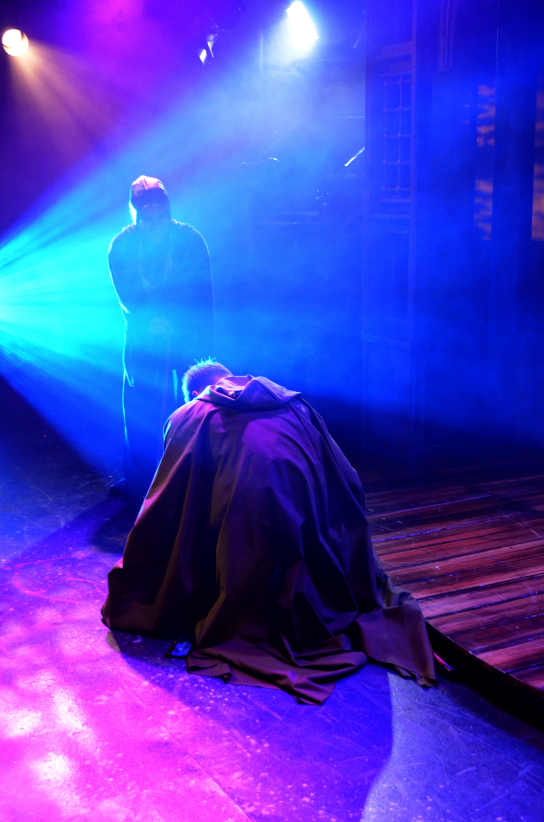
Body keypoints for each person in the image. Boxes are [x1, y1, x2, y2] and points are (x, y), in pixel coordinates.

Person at [102, 360, 435, 704]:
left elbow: (169, 501)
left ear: (195, 391)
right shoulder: (293, 402)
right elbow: (344, 475)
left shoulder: (190, 414)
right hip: (303, 514)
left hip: (244, 523)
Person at [108, 176, 214, 504]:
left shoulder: (190, 240)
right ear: (135, 217)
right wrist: (150, 320)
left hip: (188, 332)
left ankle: (193, 477)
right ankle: (140, 480)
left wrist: (176, 322)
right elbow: (126, 291)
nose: (155, 226)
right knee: (139, 399)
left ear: (169, 213)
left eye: (161, 217)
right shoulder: (121, 245)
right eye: (147, 220)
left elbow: (200, 289)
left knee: (194, 402)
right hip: (144, 332)